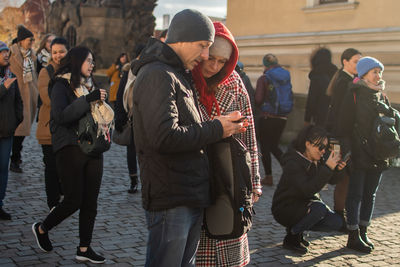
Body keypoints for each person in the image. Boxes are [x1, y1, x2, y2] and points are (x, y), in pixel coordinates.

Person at [131, 9, 247, 267]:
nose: (206, 55)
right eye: (203, 46)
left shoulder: (175, 72)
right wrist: (217, 128)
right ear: (182, 38)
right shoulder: (157, 74)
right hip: (171, 196)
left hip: (188, 193)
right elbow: (164, 137)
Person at [32, 46, 112, 264]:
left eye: (93, 61)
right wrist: (88, 100)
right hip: (69, 147)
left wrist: (102, 105)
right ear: (77, 62)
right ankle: (42, 228)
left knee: (91, 202)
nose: (92, 65)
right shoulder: (60, 84)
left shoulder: (88, 86)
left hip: (93, 147)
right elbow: (61, 116)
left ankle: (84, 248)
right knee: (74, 199)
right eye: (89, 60)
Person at [192, 21, 261, 266]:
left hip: (230, 176)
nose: (214, 66)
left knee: (229, 234)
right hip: (196, 178)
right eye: (211, 58)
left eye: (223, 61)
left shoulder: (234, 83)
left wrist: (253, 182)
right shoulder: (184, 81)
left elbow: (248, 135)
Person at [337, 57, 395, 253]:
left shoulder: (381, 96)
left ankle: (363, 231)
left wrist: (390, 112)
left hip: (379, 154)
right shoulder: (353, 94)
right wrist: (348, 152)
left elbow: (390, 124)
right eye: (374, 72)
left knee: (370, 195)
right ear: (363, 75)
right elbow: (343, 127)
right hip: (359, 153)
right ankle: (352, 236)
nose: (378, 75)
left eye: (380, 72)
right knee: (355, 195)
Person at [271, 125, 346, 254]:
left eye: (325, 147)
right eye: (320, 147)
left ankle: (297, 231)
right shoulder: (293, 163)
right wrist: (327, 168)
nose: (323, 151)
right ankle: (292, 236)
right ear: (307, 144)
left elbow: (332, 181)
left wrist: (337, 169)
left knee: (336, 221)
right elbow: (307, 190)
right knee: (319, 208)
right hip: (285, 207)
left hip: (304, 205)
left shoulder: (317, 159)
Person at [325, 48, 362, 218]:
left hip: (342, 134)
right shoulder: (344, 81)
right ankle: (340, 216)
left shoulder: (349, 79)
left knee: (344, 178)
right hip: (341, 135)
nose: (358, 65)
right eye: (355, 61)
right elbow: (340, 113)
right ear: (345, 62)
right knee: (343, 178)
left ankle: (341, 215)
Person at [36, 37, 69, 210]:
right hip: (49, 126)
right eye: (54, 52)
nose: (58, 55)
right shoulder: (45, 72)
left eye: (61, 51)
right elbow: (46, 98)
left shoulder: (73, 70)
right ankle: (53, 202)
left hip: (68, 127)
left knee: (64, 164)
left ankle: (63, 194)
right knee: (51, 166)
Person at [114, 44, 145, 193]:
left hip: (146, 118)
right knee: (131, 150)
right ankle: (134, 180)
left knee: (146, 152)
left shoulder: (151, 72)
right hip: (131, 118)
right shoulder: (129, 72)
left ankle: (146, 179)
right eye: (140, 56)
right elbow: (120, 95)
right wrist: (119, 116)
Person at [255, 54, 289, 186]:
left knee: (265, 147)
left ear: (265, 64)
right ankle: (288, 169)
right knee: (274, 145)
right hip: (282, 117)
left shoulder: (264, 78)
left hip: (267, 116)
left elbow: (258, 99)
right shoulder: (285, 77)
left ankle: (268, 176)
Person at [9, 25, 38, 173]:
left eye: (32, 39)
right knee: (16, 129)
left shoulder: (32, 55)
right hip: (15, 96)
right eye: (29, 39)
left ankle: (16, 156)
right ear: (21, 41)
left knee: (23, 129)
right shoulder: (10, 54)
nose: (31, 42)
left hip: (28, 96)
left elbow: (34, 75)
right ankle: (14, 158)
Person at [0, 41, 23, 220]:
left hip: (6, 131)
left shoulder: (12, 76)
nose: (6, 55)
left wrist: (16, 120)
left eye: (7, 52)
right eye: (2, 53)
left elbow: (18, 102)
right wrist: (3, 87)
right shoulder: (7, 81)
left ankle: (0, 203)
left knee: (3, 168)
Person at [304, 48, 337, 126]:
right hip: (334, 115)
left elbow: (312, 99)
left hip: (320, 116)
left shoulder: (317, 75)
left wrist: (307, 119)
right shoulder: (336, 73)